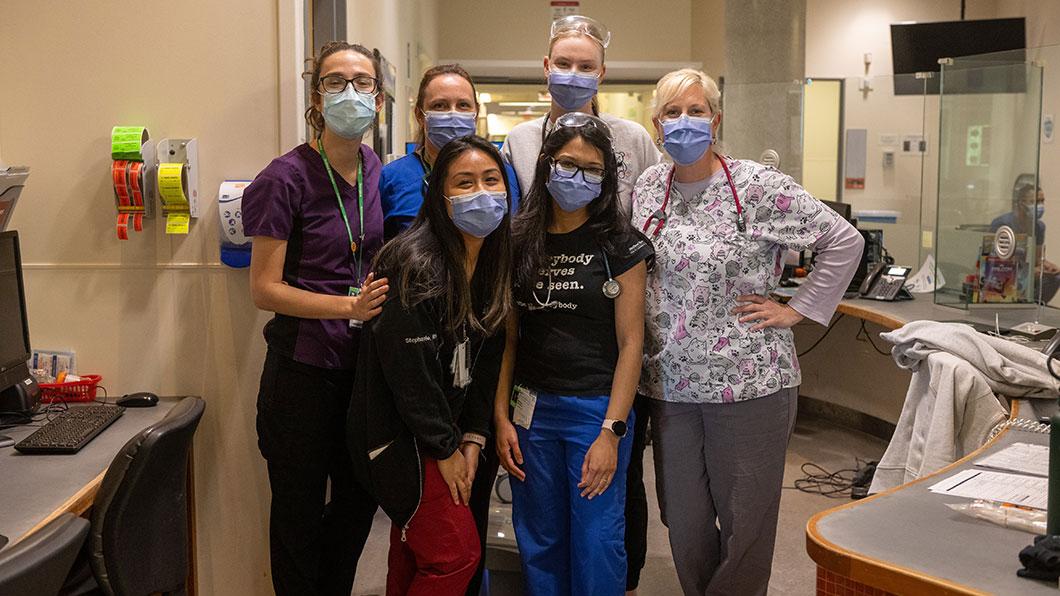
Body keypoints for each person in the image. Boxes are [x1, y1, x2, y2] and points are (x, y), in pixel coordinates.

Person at [632, 69, 864, 596]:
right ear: (655, 124)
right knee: (683, 519)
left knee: (745, 524)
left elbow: (843, 241)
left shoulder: (758, 186)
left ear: (716, 120)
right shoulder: (647, 189)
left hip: (750, 381)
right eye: (672, 113)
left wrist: (798, 309)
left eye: (696, 111)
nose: (684, 122)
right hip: (669, 385)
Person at [500, 16, 660, 591]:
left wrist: (612, 431)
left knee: (597, 541)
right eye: (565, 166)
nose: (576, 176)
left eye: (591, 170)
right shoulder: (521, 241)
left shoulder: (623, 243)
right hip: (531, 407)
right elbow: (512, 338)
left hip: (597, 406)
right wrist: (500, 415)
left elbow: (631, 341)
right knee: (539, 538)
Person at [243, 41, 390, 596]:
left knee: (357, 511)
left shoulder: (375, 169)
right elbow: (264, 289)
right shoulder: (283, 178)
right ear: (316, 95)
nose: (350, 92)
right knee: (298, 522)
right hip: (302, 376)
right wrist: (346, 308)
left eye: (362, 81)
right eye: (336, 81)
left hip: (361, 377)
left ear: (378, 96)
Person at [347, 135, 512, 596]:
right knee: (455, 555)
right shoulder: (412, 263)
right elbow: (410, 374)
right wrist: (445, 449)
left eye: (491, 179)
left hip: (450, 431)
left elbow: (487, 361)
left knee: (414, 551)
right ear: (440, 197)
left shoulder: (493, 263)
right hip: (402, 436)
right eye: (464, 182)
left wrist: (475, 436)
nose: (481, 192)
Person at [380, 64, 521, 242]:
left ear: (475, 113)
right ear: (420, 115)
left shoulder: (503, 175)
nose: (453, 114)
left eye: (463, 105)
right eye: (440, 106)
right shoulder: (393, 178)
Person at [990, 174, 1060, 302]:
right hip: (1003, 272)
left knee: (1056, 277)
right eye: (1033, 202)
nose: (1040, 206)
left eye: (1041, 201)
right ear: (1021, 203)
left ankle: (1035, 306)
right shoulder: (1003, 224)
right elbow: (996, 261)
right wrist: (1031, 271)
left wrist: (1049, 267)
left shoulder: (1039, 227)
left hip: (1026, 272)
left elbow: (1038, 259)